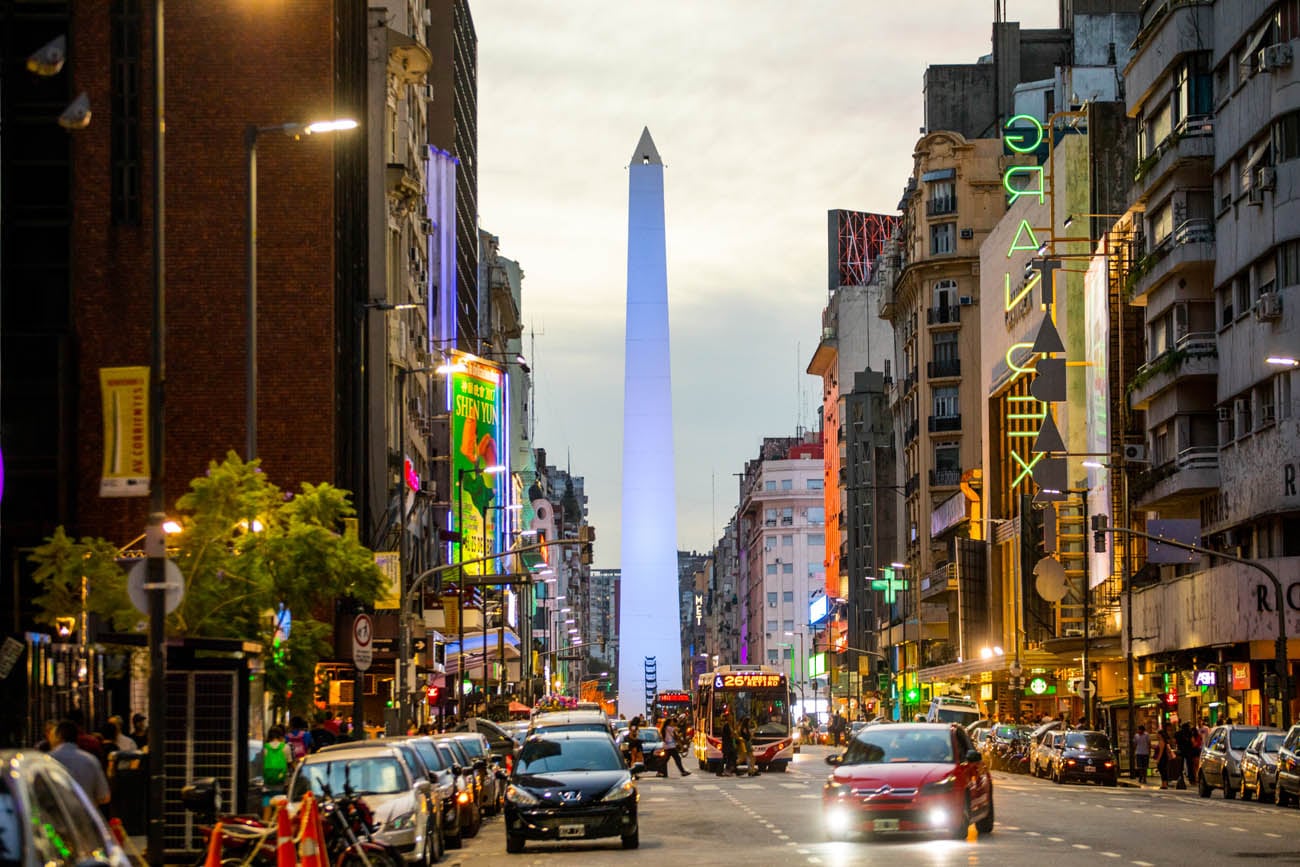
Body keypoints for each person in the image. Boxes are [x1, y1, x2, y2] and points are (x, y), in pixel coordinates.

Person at [49, 720, 111, 814]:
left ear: (58, 737)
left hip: (56, 819)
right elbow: (104, 797)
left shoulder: (47, 760)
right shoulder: (90, 760)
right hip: (85, 818)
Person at [259, 726, 293, 820]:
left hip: (266, 786)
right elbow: (290, 764)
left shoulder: (264, 748)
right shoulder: (286, 747)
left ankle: (265, 830)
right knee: (280, 811)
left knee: (266, 809)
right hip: (281, 785)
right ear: (281, 736)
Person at [718, 712, 738, 776]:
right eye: (730, 717)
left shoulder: (730, 725)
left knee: (731, 757)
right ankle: (721, 771)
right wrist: (734, 734)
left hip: (729, 744)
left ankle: (731, 770)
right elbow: (730, 735)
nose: (732, 718)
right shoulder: (726, 725)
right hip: (727, 745)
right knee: (727, 758)